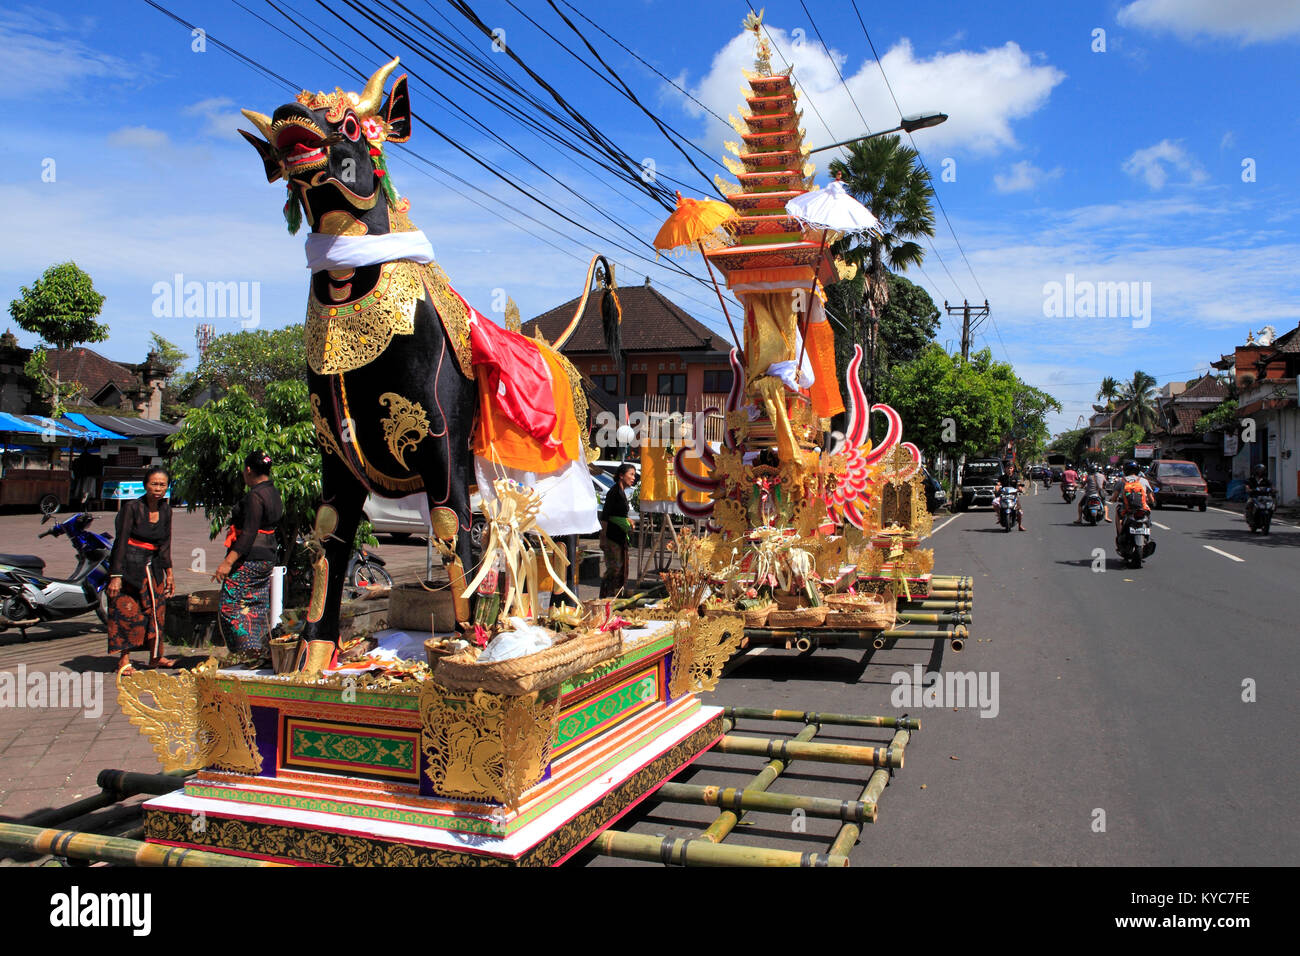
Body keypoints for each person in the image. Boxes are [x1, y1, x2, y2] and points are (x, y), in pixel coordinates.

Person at [213, 451, 284, 660]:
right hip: (268, 556)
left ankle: (248, 650)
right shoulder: (273, 492)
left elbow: (249, 533)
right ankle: (260, 651)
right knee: (256, 603)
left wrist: (227, 562)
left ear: (249, 470)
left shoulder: (255, 495)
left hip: (251, 557)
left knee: (231, 604)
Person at [106, 466, 175, 672]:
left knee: (157, 612)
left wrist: (169, 573)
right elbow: (121, 540)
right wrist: (115, 575)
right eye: (154, 484)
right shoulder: (132, 508)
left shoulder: (166, 510)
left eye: (162, 485)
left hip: (153, 567)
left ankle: (156, 656)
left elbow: (165, 543)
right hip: (129, 566)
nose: (158, 488)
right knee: (127, 611)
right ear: (145, 485)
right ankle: (124, 660)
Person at [598, 462, 637, 598]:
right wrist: (603, 537)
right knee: (614, 568)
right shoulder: (613, 492)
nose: (634, 478)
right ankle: (605, 597)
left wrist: (628, 521)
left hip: (620, 537)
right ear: (621, 475)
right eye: (631, 474)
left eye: (634, 475)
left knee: (621, 568)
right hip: (611, 537)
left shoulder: (622, 493)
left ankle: (615, 596)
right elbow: (605, 516)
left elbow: (620, 514)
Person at [1109, 460, 1155, 540]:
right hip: (1142, 508)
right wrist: (1150, 502)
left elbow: (1114, 498)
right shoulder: (1144, 480)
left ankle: (1120, 534)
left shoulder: (1121, 481)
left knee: (1117, 511)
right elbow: (1151, 499)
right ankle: (1148, 533)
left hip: (1127, 509)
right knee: (1148, 514)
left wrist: (1112, 499)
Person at [993, 457, 1027, 531]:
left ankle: (1020, 526)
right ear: (1005, 469)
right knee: (994, 502)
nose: (1009, 469)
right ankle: (999, 516)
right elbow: (998, 484)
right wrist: (997, 488)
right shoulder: (1002, 477)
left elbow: (1018, 484)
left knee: (1020, 512)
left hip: (1013, 496)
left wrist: (1020, 488)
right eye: (1008, 468)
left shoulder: (1016, 477)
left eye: (1011, 468)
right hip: (1003, 496)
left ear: (1013, 469)